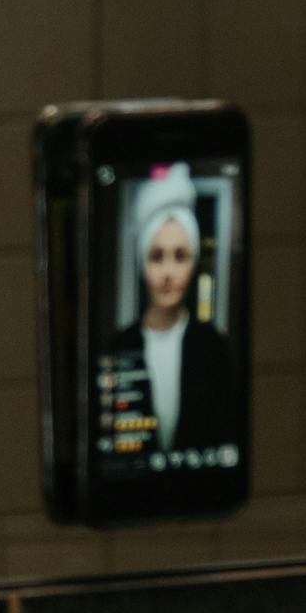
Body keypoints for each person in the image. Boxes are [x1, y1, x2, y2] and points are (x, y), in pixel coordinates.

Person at [104, 165, 241, 460]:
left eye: (180, 256)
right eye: (156, 257)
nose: (168, 273)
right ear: (142, 264)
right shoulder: (120, 348)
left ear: (193, 263)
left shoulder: (213, 346)